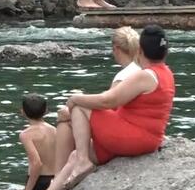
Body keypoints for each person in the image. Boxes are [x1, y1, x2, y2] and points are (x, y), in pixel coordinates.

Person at [42, 25, 175, 190]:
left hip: (132, 136)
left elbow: (108, 101)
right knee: (73, 156)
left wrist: (75, 98)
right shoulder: (166, 73)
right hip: (141, 137)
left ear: (140, 51)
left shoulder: (146, 75)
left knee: (81, 106)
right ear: (165, 52)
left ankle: (83, 161)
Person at [54, 26, 140, 170]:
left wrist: (69, 112)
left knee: (64, 123)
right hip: (131, 128)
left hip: (118, 137)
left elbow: (110, 107)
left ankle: (57, 174)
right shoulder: (141, 70)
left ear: (116, 49)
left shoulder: (123, 76)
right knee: (71, 115)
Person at [12, 94, 57, 190]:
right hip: (55, 179)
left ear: (22, 112)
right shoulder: (55, 130)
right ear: (46, 111)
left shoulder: (26, 134)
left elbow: (36, 163)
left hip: (39, 182)